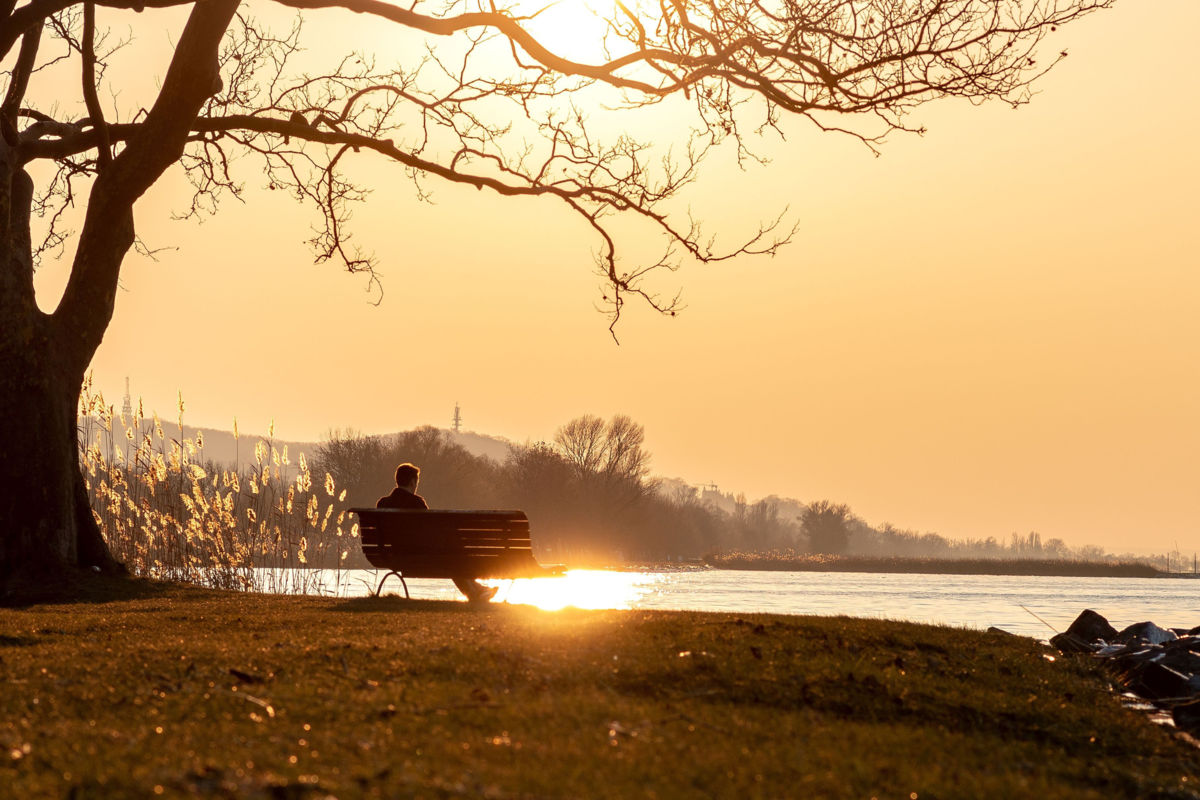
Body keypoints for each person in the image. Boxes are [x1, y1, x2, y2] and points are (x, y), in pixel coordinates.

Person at [376, 462, 497, 603]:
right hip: (421, 556)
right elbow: (431, 531)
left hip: (394, 556)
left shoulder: (383, 504)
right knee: (450, 554)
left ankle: (476, 590)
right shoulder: (416, 503)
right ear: (412, 482)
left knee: (449, 554)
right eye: (416, 482)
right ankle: (475, 591)